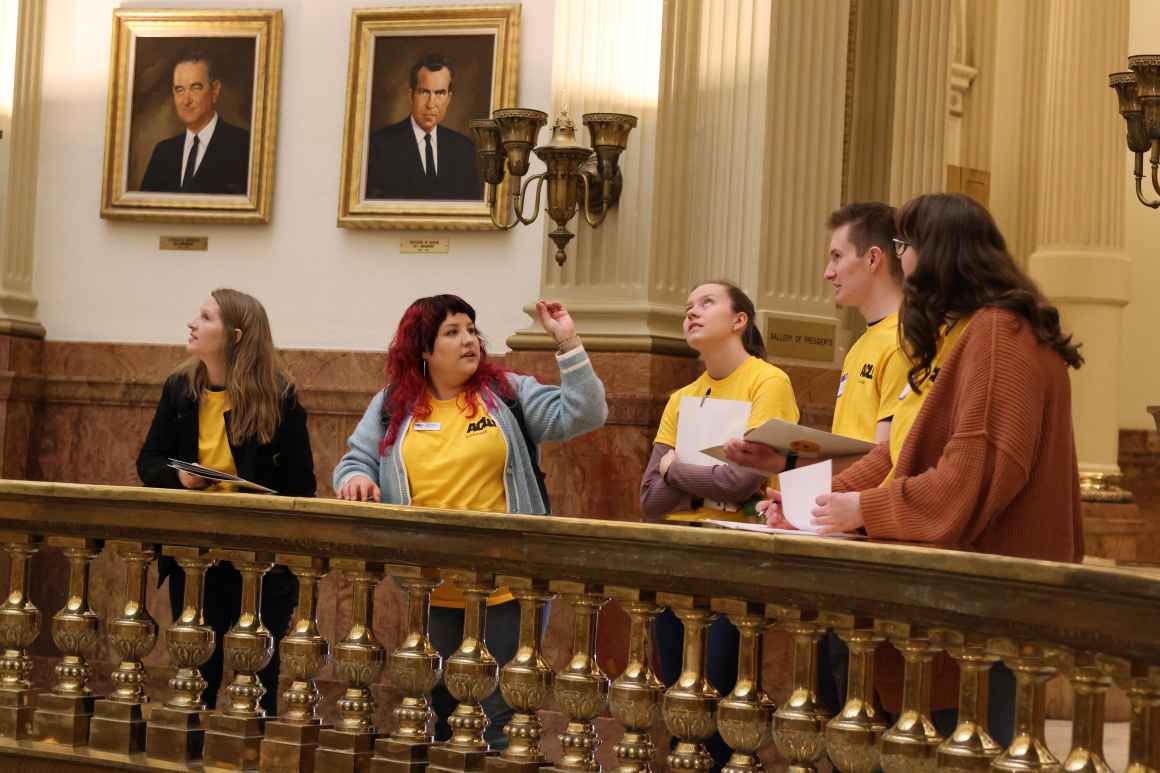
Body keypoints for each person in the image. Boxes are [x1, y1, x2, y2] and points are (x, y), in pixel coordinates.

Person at [762, 192, 1085, 746]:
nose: (900, 261)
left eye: (904, 246)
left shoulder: (998, 333)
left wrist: (863, 509)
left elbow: (973, 474)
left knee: (966, 744)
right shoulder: (964, 333)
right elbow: (901, 453)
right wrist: (815, 505)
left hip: (981, 593)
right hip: (963, 590)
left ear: (936, 253)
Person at [332, 294, 607, 748]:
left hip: (507, 589)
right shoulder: (392, 405)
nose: (468, 341)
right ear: (424, 349)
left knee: (500, 714)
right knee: (441, 710)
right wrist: (357, 478)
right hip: (430, 589)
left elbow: (585, 414)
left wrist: (568, 341)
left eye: (472, 330)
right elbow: (354, 461)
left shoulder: (505, 393)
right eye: (452, 332)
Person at [724, 203, 910, 720]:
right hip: (837, 534)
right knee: (832, 699)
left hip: (869, 542)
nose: (827, 272)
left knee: (863, 708)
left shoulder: (904, 340)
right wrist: (785, 470)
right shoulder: (861, 345)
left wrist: (805, 492)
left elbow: (888, 454)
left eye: (836, 257)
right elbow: (851, 449)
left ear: (873, 259)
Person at [639, 280, 799, 771]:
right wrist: (699, 480)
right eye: (687, 306)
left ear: (739, 320)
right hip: (678, 552)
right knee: (678, 691)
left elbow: (743, 479)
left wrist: (676, 471)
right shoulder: (681, 397)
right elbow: (650, 498)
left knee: (725, 687)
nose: (691, 312)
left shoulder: (768, 382)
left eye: (706, 303)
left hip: (736, 552)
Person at [137, 288, 316, 716]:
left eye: (206, 317)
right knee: (195, 673)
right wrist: (181, 478)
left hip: (258, 561)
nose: (193, 323)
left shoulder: (279, 396)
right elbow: (149, 462)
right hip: (195, 554)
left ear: (235, 335)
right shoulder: (180, 389)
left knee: (256, 679)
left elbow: (301, 486)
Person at [365, 53, 482, 201]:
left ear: (449, 99)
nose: (431, 104)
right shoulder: (380, 144)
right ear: (411, 95)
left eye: (440, 93)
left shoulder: (464, 149)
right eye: (424, 92)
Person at [139, 51, 251, 195]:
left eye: (195, 88)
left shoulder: (243, 146)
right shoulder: (163, 152)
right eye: (179, 90)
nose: (186, 101)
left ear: (215, 90)